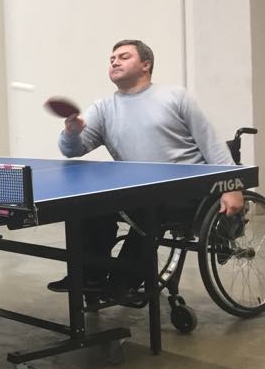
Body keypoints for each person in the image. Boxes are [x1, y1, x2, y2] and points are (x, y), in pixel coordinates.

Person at [50, 38, 244, 299]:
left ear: (146, 65)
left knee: (148, 207)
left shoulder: (175, 97)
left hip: (188, 190)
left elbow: (211, 143)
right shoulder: (103, 108)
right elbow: (72, 150)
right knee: (87, 204)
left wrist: (232, 185)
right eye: (111, 59)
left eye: (124, 57)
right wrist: (71, 133)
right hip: (140, 191)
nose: (115, 62)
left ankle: (123, 281)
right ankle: (89, 275)